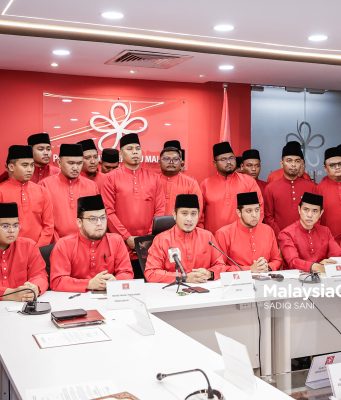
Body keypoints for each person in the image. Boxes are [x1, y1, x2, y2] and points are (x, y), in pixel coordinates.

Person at [101, 133, 165, 278]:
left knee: (149, 285)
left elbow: (160, 210)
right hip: (121, 244)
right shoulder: (110, 178)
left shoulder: (154, 178)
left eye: (137, 148)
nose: (135, 151)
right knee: (123, 285)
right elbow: (108, 212)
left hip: (150, 245)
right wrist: (127, 238)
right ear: (121, 154)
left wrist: (148, 238)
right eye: (129, 149)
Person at [50, 194, 133, 292]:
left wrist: (115, 281)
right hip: (76, 301)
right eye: (92, 219)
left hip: (109, 298)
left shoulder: (116, 241)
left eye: (102, 218)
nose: (99, 223)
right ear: (79, 222)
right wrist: (89, 284)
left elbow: (127, 272)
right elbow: (57, 281)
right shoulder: (64, 245)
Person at [144, 194, 226, 283]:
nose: (189, 219)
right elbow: (151, 273)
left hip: (203, 290)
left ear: (198, 215)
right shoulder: (161, 240)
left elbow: (221, 265)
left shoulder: (207, 237)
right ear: (174, 214)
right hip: (173, 292)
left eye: (193, 214)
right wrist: (183, 277)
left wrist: (210, 273)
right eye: (184, 213)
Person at [200, 141, 263, 234]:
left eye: (231, 158)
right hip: (213, 240)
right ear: (214, 163)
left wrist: (252, 232)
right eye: (223, 159)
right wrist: (203, 236)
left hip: (243, 237)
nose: (229, 162)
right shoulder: (206, 184)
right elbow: (199, 215)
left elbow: (259, 209)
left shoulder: (248, 182)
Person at [40, 144, 98, 240]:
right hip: (55, 244)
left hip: (84, 243)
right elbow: (43, 221)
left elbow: (96, 218)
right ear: (59, 162)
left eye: (79, 163)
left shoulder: (91, 186)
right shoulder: (45, 185)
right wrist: (58, 242)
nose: (75, 168)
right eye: (71, 163)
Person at [0, 145, 54, 247]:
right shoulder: (1, 191)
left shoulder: (42, 191)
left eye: (32, 165)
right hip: (8, 252)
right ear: (11, 167)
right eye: (25, 165)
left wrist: (38, 248)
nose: (30, 169)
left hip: (38, 251)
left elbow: (49, 226)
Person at [215, 192, 281, 272]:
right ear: (239, 213)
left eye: (257, 210)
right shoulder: (224, 234)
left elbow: (277, 260)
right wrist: (250, 269)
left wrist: (267, 267)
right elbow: (220, 267)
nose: (254, 215)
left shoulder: (268, 230)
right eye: (249, 211)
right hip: (237, 282)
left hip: (265, 280)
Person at [278, 192, 341, 272]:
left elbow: (337, 256)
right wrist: (317, 266)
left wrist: (329, 264)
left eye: (315, 211)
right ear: (299, 209)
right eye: (306, 209)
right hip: (296, 280)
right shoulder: (286, 234)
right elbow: (293, 262)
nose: (310, 215)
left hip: (322, 278)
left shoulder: (325, 231)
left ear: (321, 213)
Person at [264, 141, 315, 237]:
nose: (293, 164)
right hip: (280, 239)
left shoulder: (311, 187)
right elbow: (268, 217)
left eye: (297, 161)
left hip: (306, 238)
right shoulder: (270, 188)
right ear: (282, 163)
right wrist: (281, 236)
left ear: (301, 164)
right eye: (289, 160)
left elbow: (316, 214)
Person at [0, 202, 48, 301]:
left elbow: (40, 275)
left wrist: (35, 288)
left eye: (15, 225)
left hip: (22, 307)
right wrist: (11, 294)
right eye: (5, 226)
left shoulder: (28, 246)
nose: (11, 230)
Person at [159, 144, 202, 215]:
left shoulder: (191, 183)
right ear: (159, 162)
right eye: (166, 159)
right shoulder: (152, 181)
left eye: (175, 159)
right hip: (154, 225)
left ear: (181, 163)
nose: (171, 162)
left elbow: (197, 211)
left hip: (182, 225)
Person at [317, 146, 341, 245]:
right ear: (325, 168)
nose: (337, 167)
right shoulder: (319, 189)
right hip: (331, 243)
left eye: (340, 164)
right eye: (332, 165)